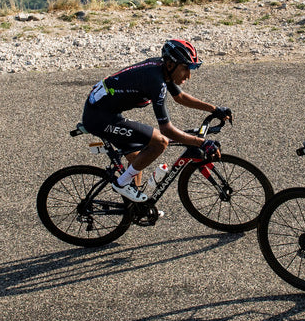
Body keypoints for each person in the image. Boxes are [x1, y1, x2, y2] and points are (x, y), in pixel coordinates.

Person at [82, 38, 232, 203]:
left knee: (137, 161)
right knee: (160, 142)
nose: (188, 75)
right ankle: (121, 184)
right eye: (185, 68)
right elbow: (166, 130)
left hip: (106, 112)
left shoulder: (162, 69)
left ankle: (133, 209)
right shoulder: (156, 81)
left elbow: (180, 97)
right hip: (99, 118)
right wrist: (201, 143)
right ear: (170, 65)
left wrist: (214, 109)